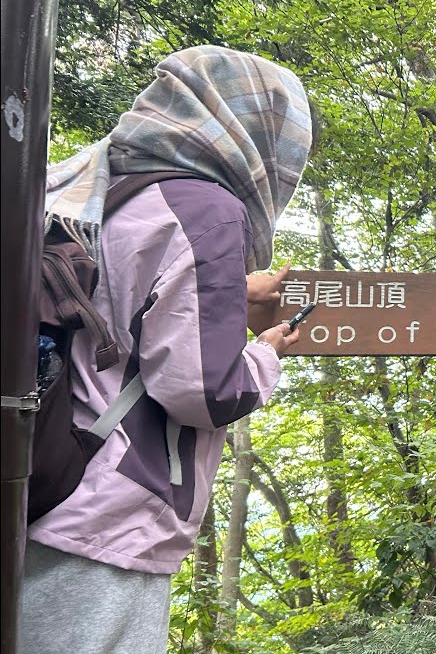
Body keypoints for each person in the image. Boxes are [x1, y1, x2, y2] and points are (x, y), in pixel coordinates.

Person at [20, 45, 314, 654]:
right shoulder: (206, 207)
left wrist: (233, 292)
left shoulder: (98, 187)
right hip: (105, 513)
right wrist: (266, 354)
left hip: (36, 478)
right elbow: (201, 390)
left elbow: (132, 314)